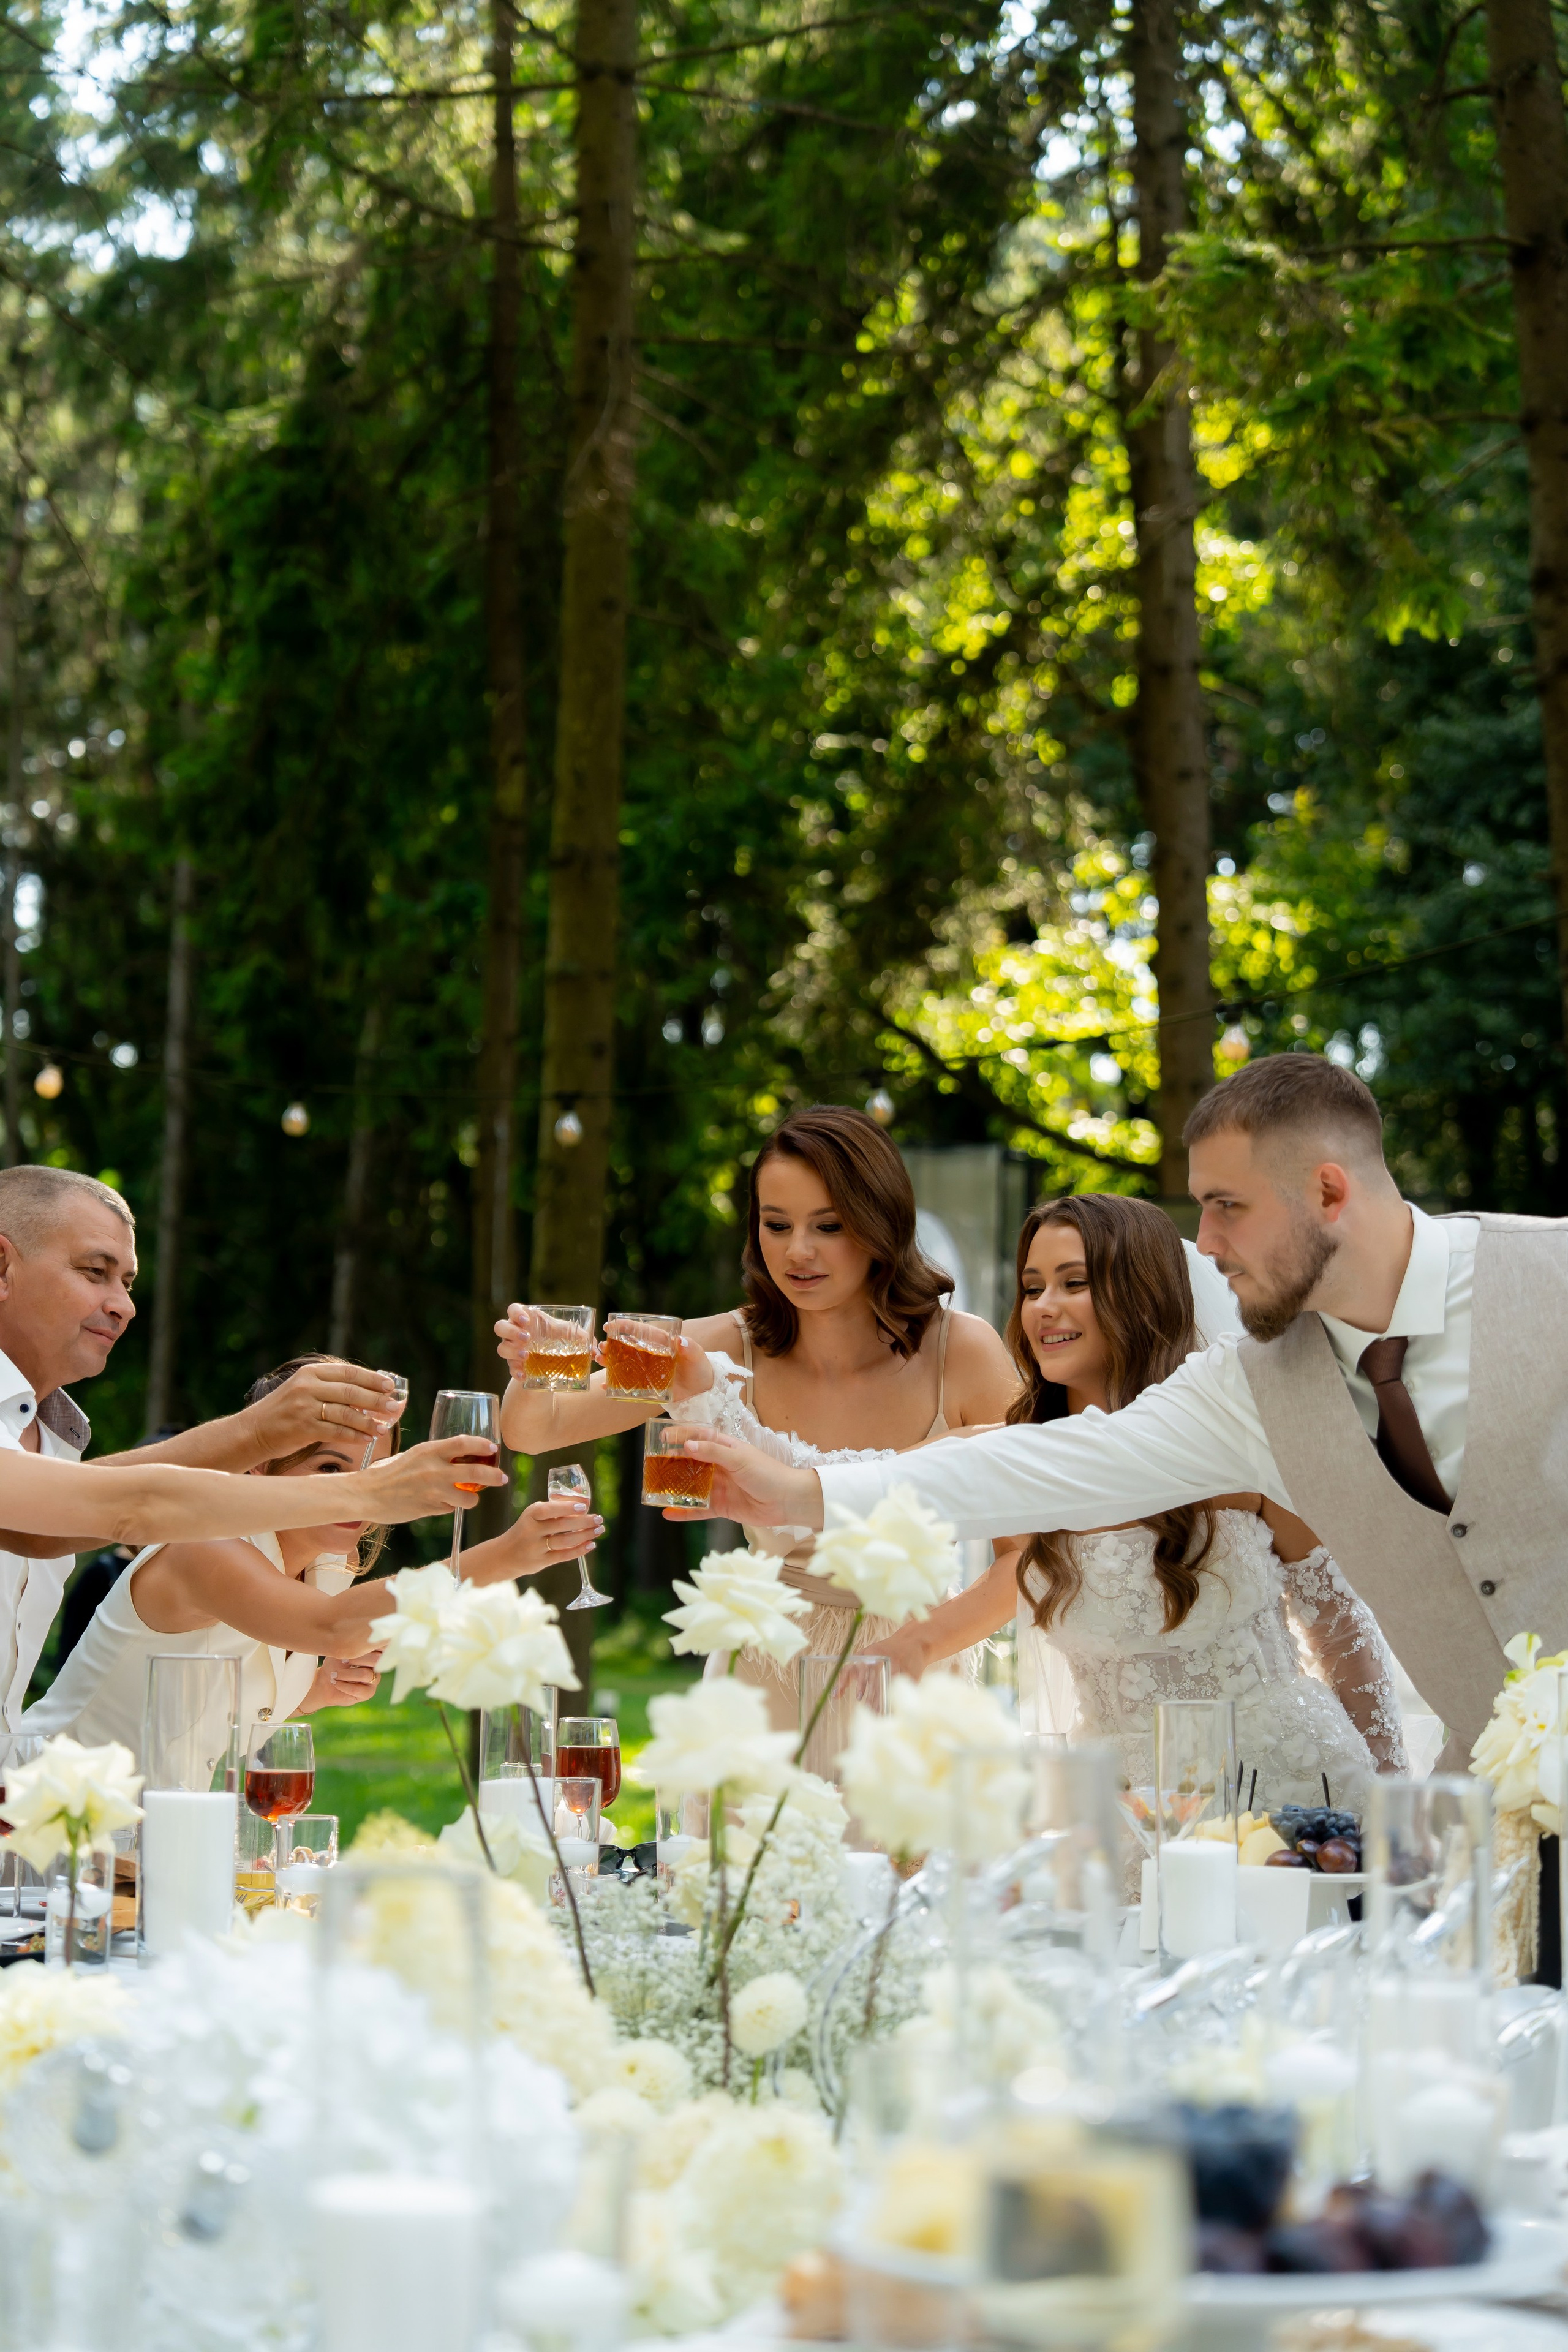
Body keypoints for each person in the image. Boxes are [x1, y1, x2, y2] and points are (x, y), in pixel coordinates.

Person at [674, 1054, 1567, 1768]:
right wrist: (798, 1493)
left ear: (1329, 1193)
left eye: (1226, 1208)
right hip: (1478, 1809)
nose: (1204, 1244)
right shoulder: (1250, 1389)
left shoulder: (1553, 1282)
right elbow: (1035, 1465)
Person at [878, 1193, 1406, 1811]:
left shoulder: (1239, 1442)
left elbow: (1340, 1627)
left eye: (1073, 1283)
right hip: (1124, 1819)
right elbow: (865, 1479)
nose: (1044, 1308)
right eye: (1031, 1287)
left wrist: (1390, 1803)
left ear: (1140, 1293)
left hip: (1292, 1794)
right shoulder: (1018, 1458)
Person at [497, 1105, 1020, 1727]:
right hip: (762, 1685)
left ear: (881, 1222)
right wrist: (534, 1364)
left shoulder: (961, 1353)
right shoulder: (714, 1347)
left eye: (829, 1226)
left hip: (909, 1687)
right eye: (776, 1224)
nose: (798, 1251)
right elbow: (538, 1429)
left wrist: (919, 1645)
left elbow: (1034, 1552)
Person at [0, 1163, 434, 1732]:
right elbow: (127, 1509)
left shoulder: (55, 1440)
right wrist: (260, 1433)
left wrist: (304, 1694)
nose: (124, 1305)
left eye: (127, 1283)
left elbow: (45, 1532)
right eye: (94, 1271)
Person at [24, 1354, 602, 1763]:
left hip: (159, 1844)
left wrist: (314, 1692)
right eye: (329, 1470)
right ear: (259, 1468)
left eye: (371, 1471)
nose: (359, 1492)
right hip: (42, 1826)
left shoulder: (328, 1567)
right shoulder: (203, 1548)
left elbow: (209, 1704)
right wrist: (508, 1556)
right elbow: (332, 1627)